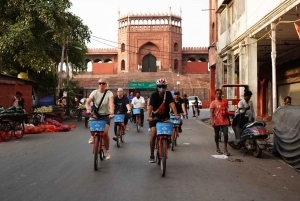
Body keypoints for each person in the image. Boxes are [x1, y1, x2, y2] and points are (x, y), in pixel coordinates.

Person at [147, 78, 179, 163]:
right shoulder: (153, 95)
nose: (162, 88)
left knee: (168, 131)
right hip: (155, 118)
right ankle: (152, 154)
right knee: (154, 134)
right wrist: (148, 116)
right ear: (157, 87)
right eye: (160, 86)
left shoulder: (168, 94)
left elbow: (172, 105)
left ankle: (166, 142)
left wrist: (176, 115)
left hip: (165, 117)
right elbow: (150, 107)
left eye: (163, 86)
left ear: (166, 87)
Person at [85, 78, 114, 160]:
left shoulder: (109, 93)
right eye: (100, 83)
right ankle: (92, 136)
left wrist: (112, 113)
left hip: (106, 115)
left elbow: (111, 104)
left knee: (105, 133)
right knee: (90, 122)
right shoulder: (94, 92)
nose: (101, 85)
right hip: (96, 114)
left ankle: (107, 151)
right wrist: (88, 108)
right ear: (98, 84)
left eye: (103, 83)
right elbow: (87, 102)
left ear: (106, 84)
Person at [210, 89, 231, 156]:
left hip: (224, 121)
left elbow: (227, 112)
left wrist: (229, 120)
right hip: (216, 122)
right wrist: (212, 121)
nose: (219, 95)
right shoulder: (213, 103)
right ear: (215, 94)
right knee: (217, 136)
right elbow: (211, 113)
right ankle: (218, 148)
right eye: (217, 94)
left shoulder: (225, 101)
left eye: (220, 94)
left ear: (222, 94)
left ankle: (225, 149)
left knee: (226, 135)